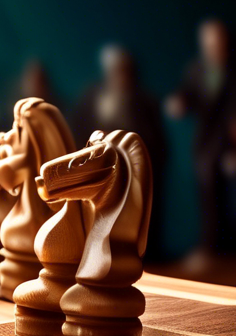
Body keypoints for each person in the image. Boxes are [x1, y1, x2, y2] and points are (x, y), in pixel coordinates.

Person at [75, 45, 167, 260]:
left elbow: (156, 141)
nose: (120, 76)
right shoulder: (92, 97)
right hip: (101, 171)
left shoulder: (145, 101)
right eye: (116, 70)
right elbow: (80, 131)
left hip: (135, 170)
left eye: (124, 70)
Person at [166, 19, 236, 257]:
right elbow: (187, 93)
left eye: (216, 40)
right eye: (206, 41)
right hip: (205, 145)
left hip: (228, 143)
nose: (211, 46)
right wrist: (179, 103)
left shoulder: (232, 69)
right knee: (207, 193)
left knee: (225, 195)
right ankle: (211, 247)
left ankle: (221, 248)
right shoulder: (195, 69)